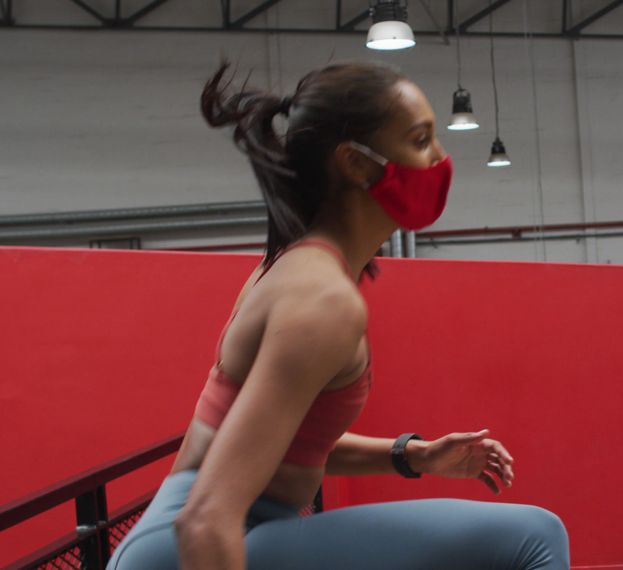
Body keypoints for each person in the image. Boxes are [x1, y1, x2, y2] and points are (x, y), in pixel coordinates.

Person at [107, 61, 569, 570]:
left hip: (225, 536)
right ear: (356, 163)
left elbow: (282, 443)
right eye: (420, 140)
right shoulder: (323, 301)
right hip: (200, 547)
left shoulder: (293, 268)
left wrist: (415, 455)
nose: (440, 158)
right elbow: (204, 519)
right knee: (535, 537)